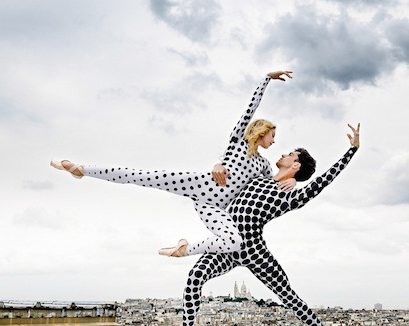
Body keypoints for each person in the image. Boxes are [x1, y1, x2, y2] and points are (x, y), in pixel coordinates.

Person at [50, 71, 296, 257]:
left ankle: (185, 249)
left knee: (235, 242)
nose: (274, 142)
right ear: (261, 132)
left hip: (215, 208)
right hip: (201, 185)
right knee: (141, 176)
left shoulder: (263, 166)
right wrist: (266, 79)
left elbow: (271, 184)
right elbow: (249, 109)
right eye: (272, 136)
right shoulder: (239, 142)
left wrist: (293, 180)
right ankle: (81, 169)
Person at [166, 122, 361, 326]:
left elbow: (321, 182)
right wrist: (218, 163)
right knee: (195, 276)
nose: (283, 153)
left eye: (289, 154)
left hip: (253, 248)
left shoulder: (289, 196)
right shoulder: (260, 175)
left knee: (287, 294)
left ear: (296, 164)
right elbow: (237, 155)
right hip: (228, 243)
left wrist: (352, 150)